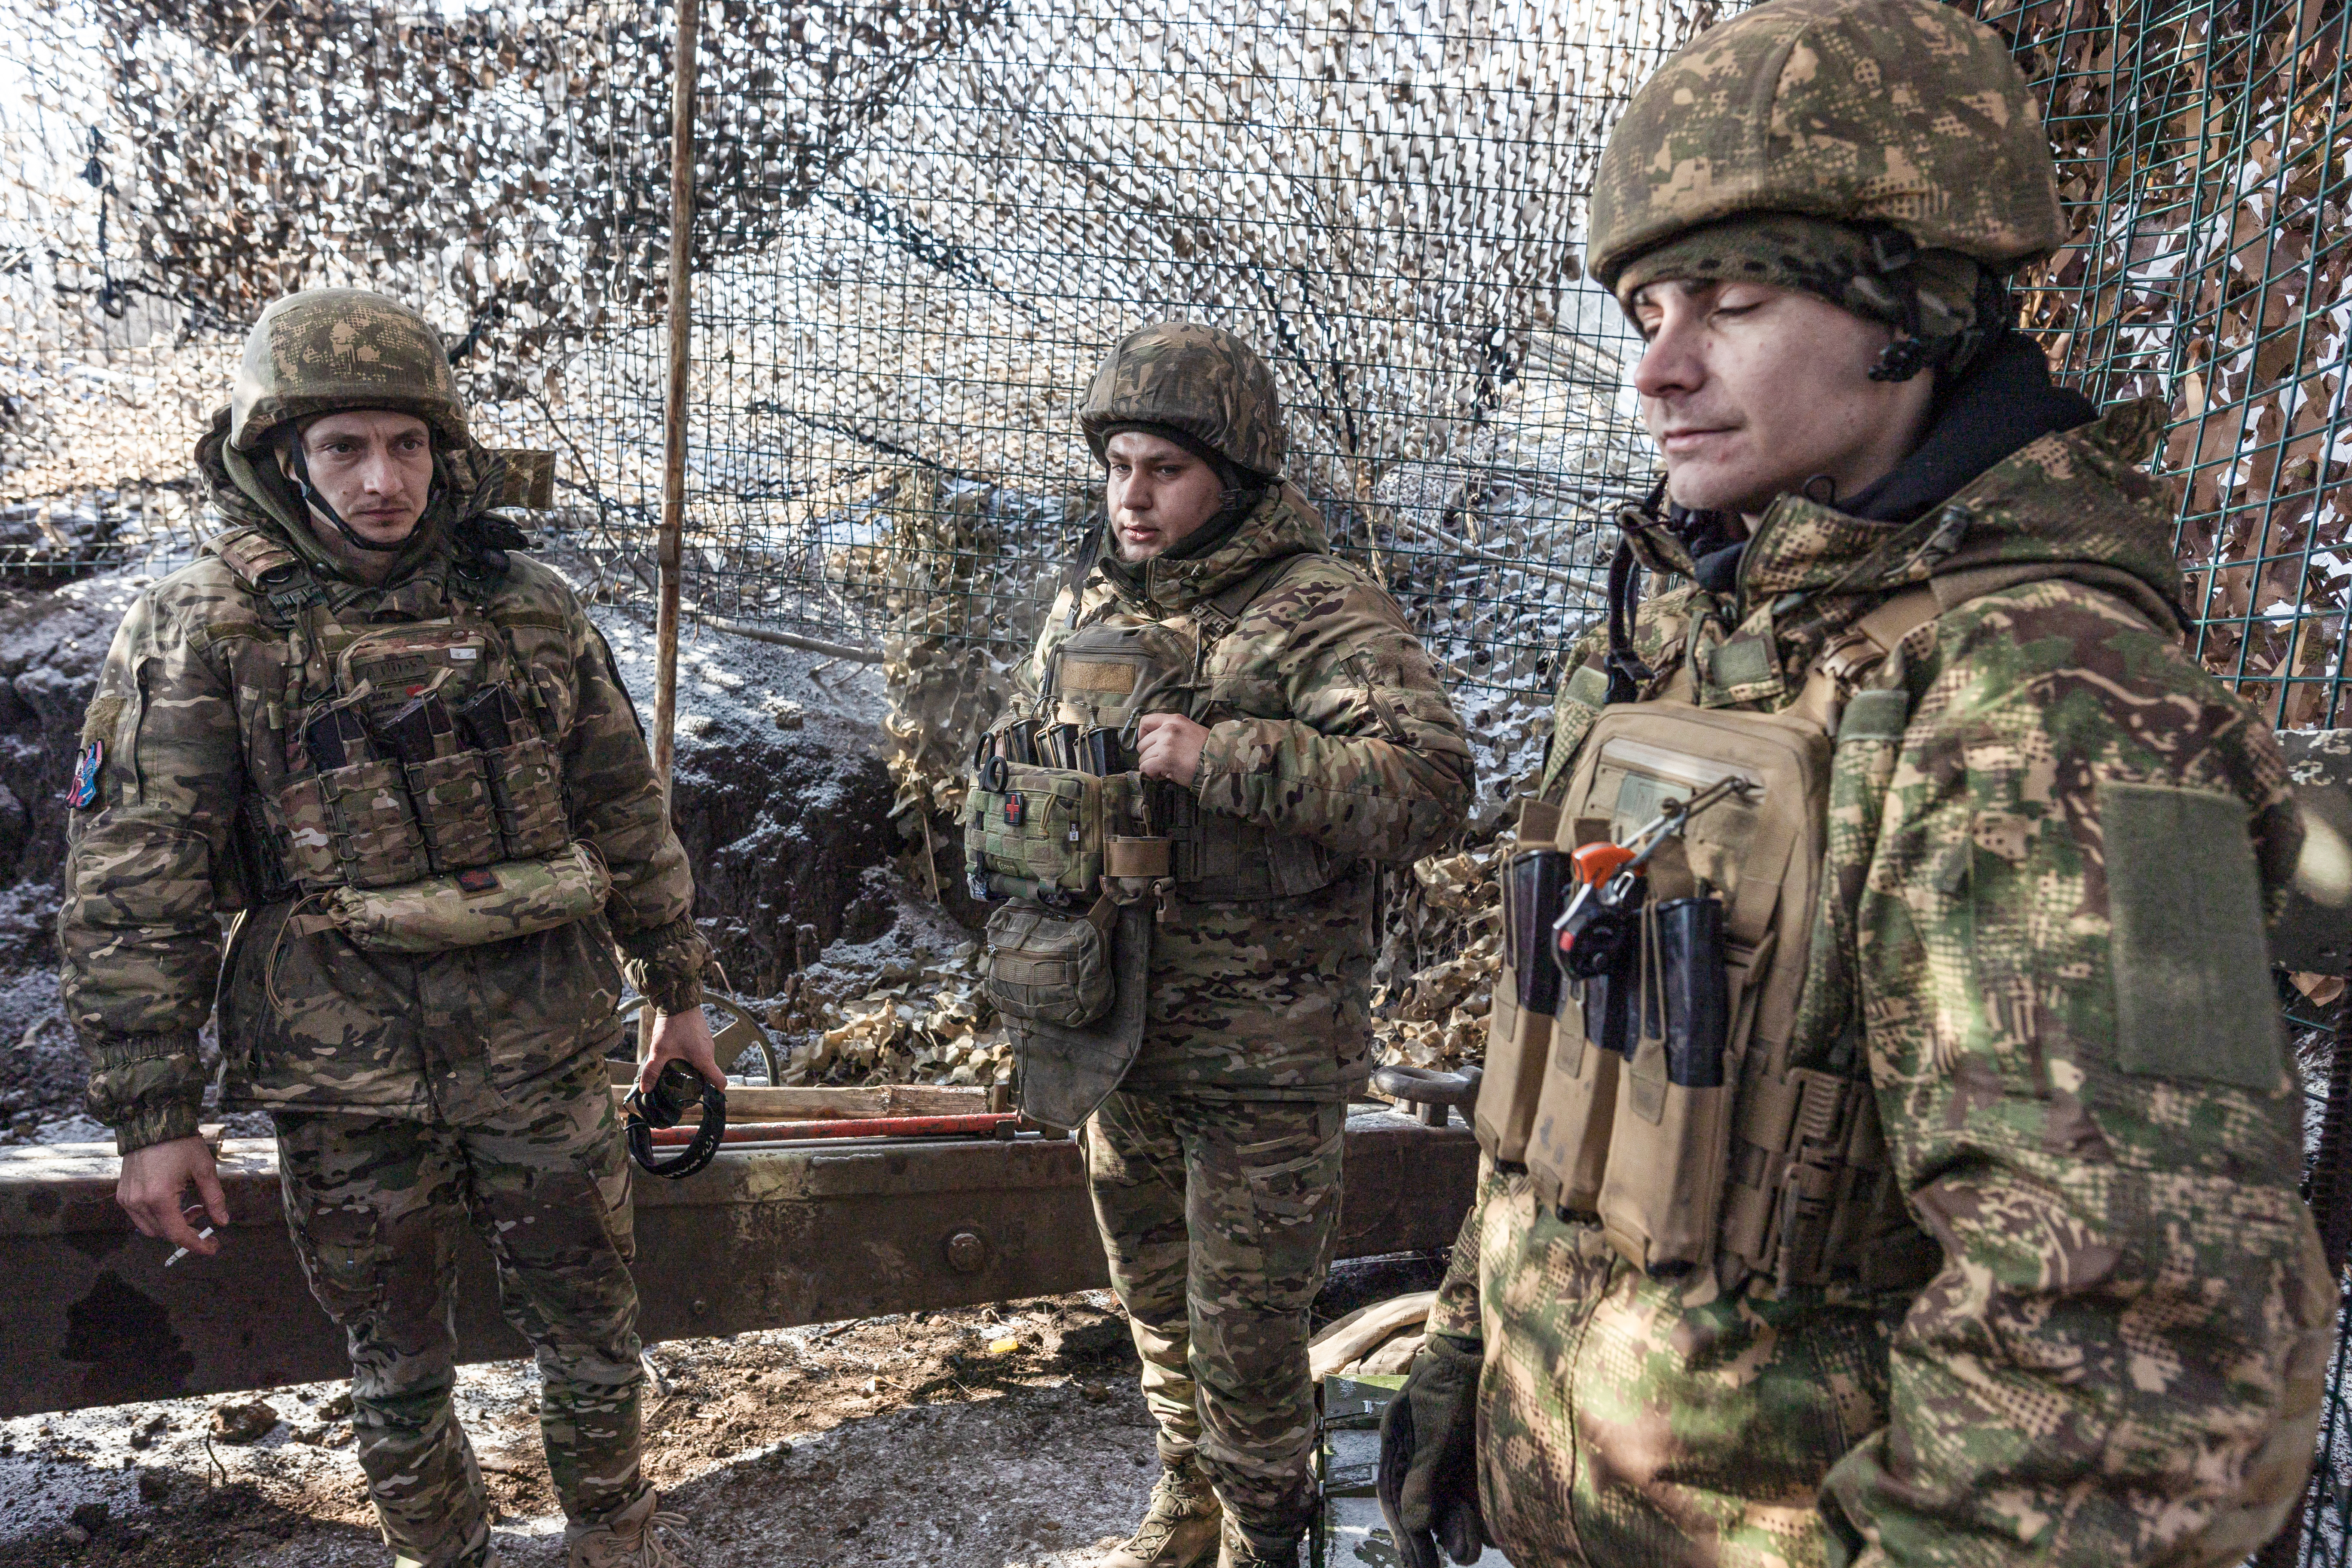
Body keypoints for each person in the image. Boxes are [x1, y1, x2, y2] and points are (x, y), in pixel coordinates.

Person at [1380, 2, 2334, 1565]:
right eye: (1645, 315)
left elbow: (2126, 1361)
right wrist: (1470, 1361)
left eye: (1734, 303)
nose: (1659, 372)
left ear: (1919, 311)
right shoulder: (1690, 643)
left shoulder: (2046, 705)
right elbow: (1557, 1097)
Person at [60, 288, 721, 1568]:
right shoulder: (206, 627)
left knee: (592, 1328)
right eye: (345, 448)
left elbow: (624, 812)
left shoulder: (525, 606)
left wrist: (678, 995)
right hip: (345, 1073)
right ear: (281, 456)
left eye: (407, 445)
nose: (382, 480)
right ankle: (443, 1553)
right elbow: (139, 884)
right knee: (396, 1359)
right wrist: (155, 1118)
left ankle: (617, 1543)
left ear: (446, 450)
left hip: (542, 1044)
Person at [997, 322, 1473, 1567]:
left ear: (1236, 475)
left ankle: (1268, 1537)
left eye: (1166, 470)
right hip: (1113, 1034)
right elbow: (1009, 769)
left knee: (1249, 1340)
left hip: (1265, 1059)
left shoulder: (1318, 610)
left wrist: (1230, 757)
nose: (1134, 498)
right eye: (1118, 469)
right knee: (1156, 1314)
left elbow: (1430, 784)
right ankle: (1184, 1506)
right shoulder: (1086, 610)